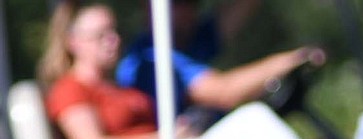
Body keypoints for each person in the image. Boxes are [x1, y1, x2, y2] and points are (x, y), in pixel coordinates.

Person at [38, 2, 345, 139]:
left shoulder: (116, 85)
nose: (113, 40)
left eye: (114, 32)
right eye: (101, 35)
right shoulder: (70, 90)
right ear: (74, 42)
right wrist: (169, 138)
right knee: (251, 122)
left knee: (250, 123)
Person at [116, 0, 323, 123]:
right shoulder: (148, 59)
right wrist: (293, 60)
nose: (189, 9)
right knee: (254, 118)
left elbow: (237, 12)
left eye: (192, 1)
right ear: (149, 8)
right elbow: (225, 92)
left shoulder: (189, 40)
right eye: (178, 2)